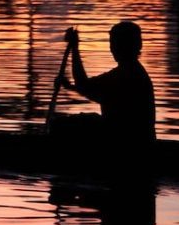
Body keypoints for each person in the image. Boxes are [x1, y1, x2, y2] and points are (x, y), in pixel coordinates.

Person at [59, 21, 155, 149]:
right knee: (85, 120)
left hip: (125, 141)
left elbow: (84, 85)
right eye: (111, 44)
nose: (112, 49)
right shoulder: (135, 72)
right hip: (139, 138)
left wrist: (74, 48)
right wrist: (69, 86)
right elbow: (92, 89)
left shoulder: (124, 75)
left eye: (115, 44)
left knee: (64, 125)